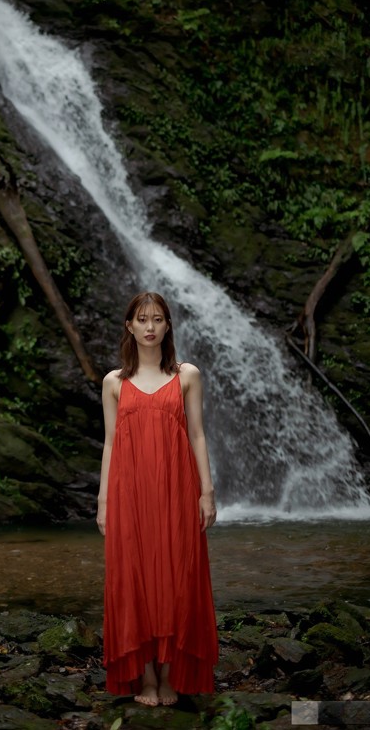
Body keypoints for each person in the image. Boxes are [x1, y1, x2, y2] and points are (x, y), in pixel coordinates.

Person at [97, 290, 218, 707]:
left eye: (158, 320)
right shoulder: (114, 382)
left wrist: (207, 492)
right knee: (134, 580)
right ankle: (145, 677)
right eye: (142, 320)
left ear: (168, 326)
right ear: (129, 326)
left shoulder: (187, 375)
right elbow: (111, 444)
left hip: (177, 490)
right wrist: (103, 503)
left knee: (176, 578)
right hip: (128, 493)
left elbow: (199, 434)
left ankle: (170, 673)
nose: (150, 327)